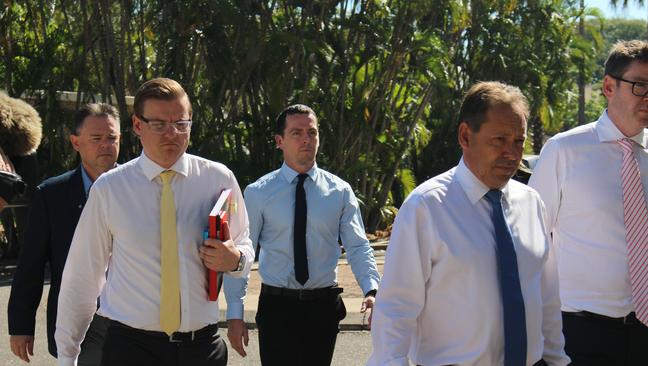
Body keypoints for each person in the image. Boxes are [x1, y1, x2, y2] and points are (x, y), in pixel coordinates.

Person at [54, 78, 254, 366]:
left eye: (181, 123)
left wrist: (235, 260)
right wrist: (67, 355)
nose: (171, 133)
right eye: (159, 124)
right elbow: (83, 277)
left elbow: (244, 242)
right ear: (137, 126)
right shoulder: (110, 189)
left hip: (202, 348)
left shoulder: (218, 179)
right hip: (132, 348)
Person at [368, 81, 570, 366]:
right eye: (499, 140)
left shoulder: (531, 203)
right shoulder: (426, 207)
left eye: (518, 141)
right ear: (465, 135)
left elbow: (546, 297)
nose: (512, 154)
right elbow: (396, 308)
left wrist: (557, 360)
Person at [224, 104, 380, 365]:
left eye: (312, 132)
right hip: (277, 308)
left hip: (323, 309)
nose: (306, 139)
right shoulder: (258, 192)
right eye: (297, 133)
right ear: (280, 141)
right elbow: (241, 254)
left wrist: (372, 289)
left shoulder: (340, 192)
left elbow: (358, 246)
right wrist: (234, 313)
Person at [529, 40, 648, 365]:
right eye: (640, 85)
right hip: (580, 333)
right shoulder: (564, 150)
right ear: (609, 86)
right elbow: (530, 241)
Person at [8, 103, 120, 364]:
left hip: (132, 321)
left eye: (112, 138)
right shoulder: (52, 195)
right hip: (76, 320)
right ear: (75, 142)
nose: (106, 145)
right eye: (96, 138)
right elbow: (31, 264)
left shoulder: (140, 189)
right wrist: (21, 325)